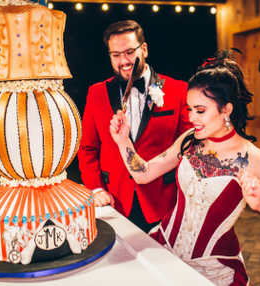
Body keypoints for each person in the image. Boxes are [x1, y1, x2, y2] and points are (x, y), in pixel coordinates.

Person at [108, 50, 260, 285]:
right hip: (164, 249)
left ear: (226, 110)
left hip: (214, 271)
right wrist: (123, 141)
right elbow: (143, 175)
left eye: (201, 111)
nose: (192, 117)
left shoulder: (255, 158)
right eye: (190, 109)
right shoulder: (188, 140)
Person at [78, 20, 192, 233]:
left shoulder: (178, 90)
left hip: (164, 203)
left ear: (145, 49)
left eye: (130, 52)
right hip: (114, 202)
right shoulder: (96, 93)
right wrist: (95, 188)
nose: (124, 60)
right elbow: (87, 149)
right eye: (116, 55)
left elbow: (189, 148)